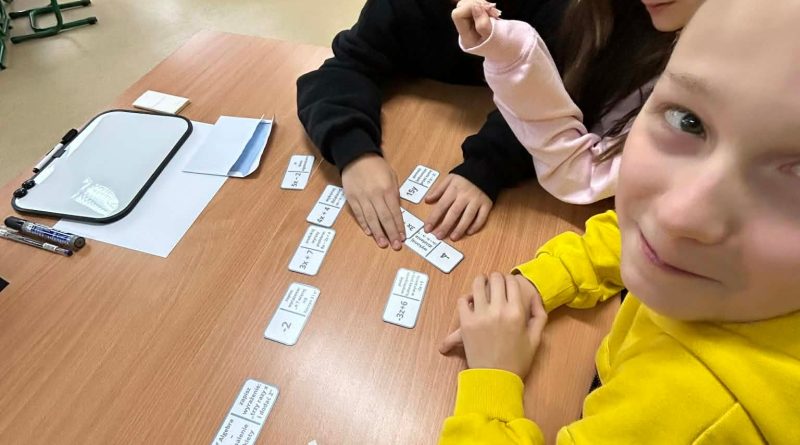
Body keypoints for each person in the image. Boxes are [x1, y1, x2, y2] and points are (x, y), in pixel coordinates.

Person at [438, 0, 800, 442]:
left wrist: (492, 379)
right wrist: (547, 279)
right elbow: (625, 231)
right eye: (689, 121)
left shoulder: (693, 411)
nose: (676, 215)